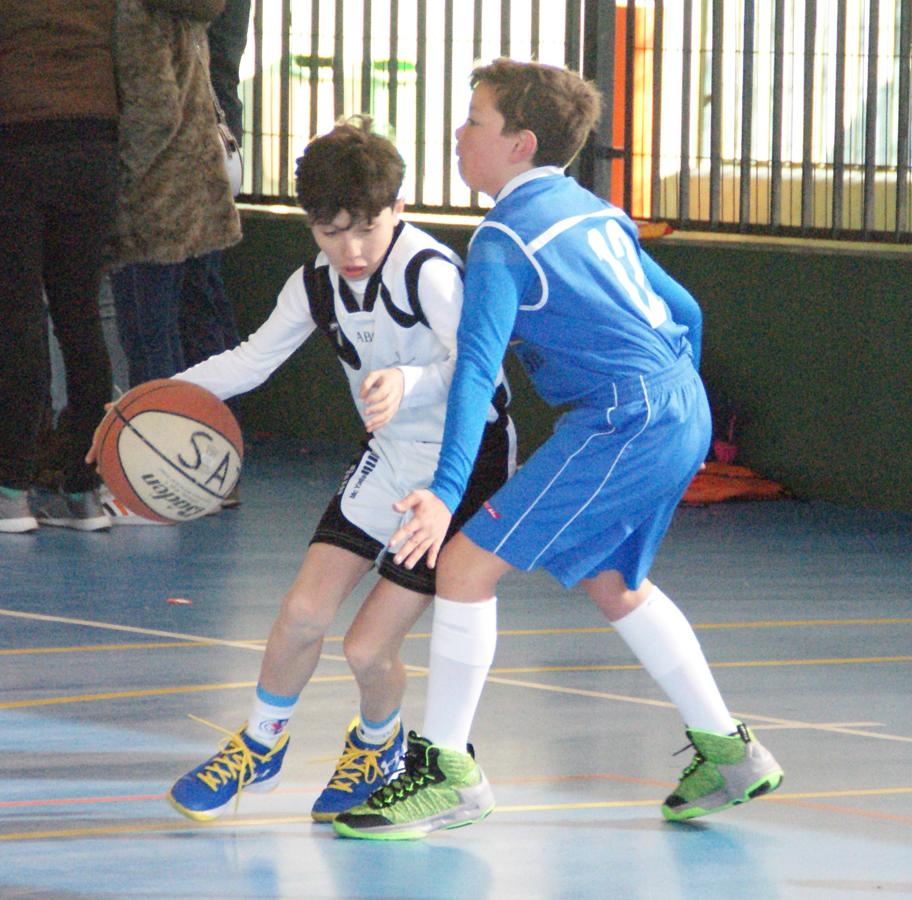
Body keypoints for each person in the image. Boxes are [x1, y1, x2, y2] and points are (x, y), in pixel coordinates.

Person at [332, 58, 783, 841]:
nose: (458, 133)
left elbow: (476, 373)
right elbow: (687, 309)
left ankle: (445, 774)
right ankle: (727, 751)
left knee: (465, 566)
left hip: (622, 419)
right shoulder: (594, 211)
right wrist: (680, 407)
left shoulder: (503, 240)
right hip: (677, 402)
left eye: (475, 120)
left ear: (520, 143)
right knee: (616, 581)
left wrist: (444, 491)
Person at [156, 118, 515, 822]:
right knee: (302, 612)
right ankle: (261, 745)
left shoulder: (430, 274)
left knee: (364, 647)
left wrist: (409, 383)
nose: (349, 249)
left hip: (461, 467)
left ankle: (378, 746)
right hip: (389, 459)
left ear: (399, 211)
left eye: (365, 229)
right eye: (329, 231)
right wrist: (156, 399)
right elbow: (252, 361)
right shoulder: (314, 285)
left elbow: (485, 377)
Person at [98, 0, 243, 524]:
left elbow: (152, 111)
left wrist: (120, 180)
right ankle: (217, 471)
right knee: (205, 328)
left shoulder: (140, 11)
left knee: (149, 338)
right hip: (201, 185)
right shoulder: (194, 10)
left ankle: (152, 480)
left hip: (154, 198)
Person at [0, 0, 119, 533]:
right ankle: (82, 489)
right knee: (80, 316)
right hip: (94, 140)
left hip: (17, 139)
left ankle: (10, 490)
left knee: (18, 316)